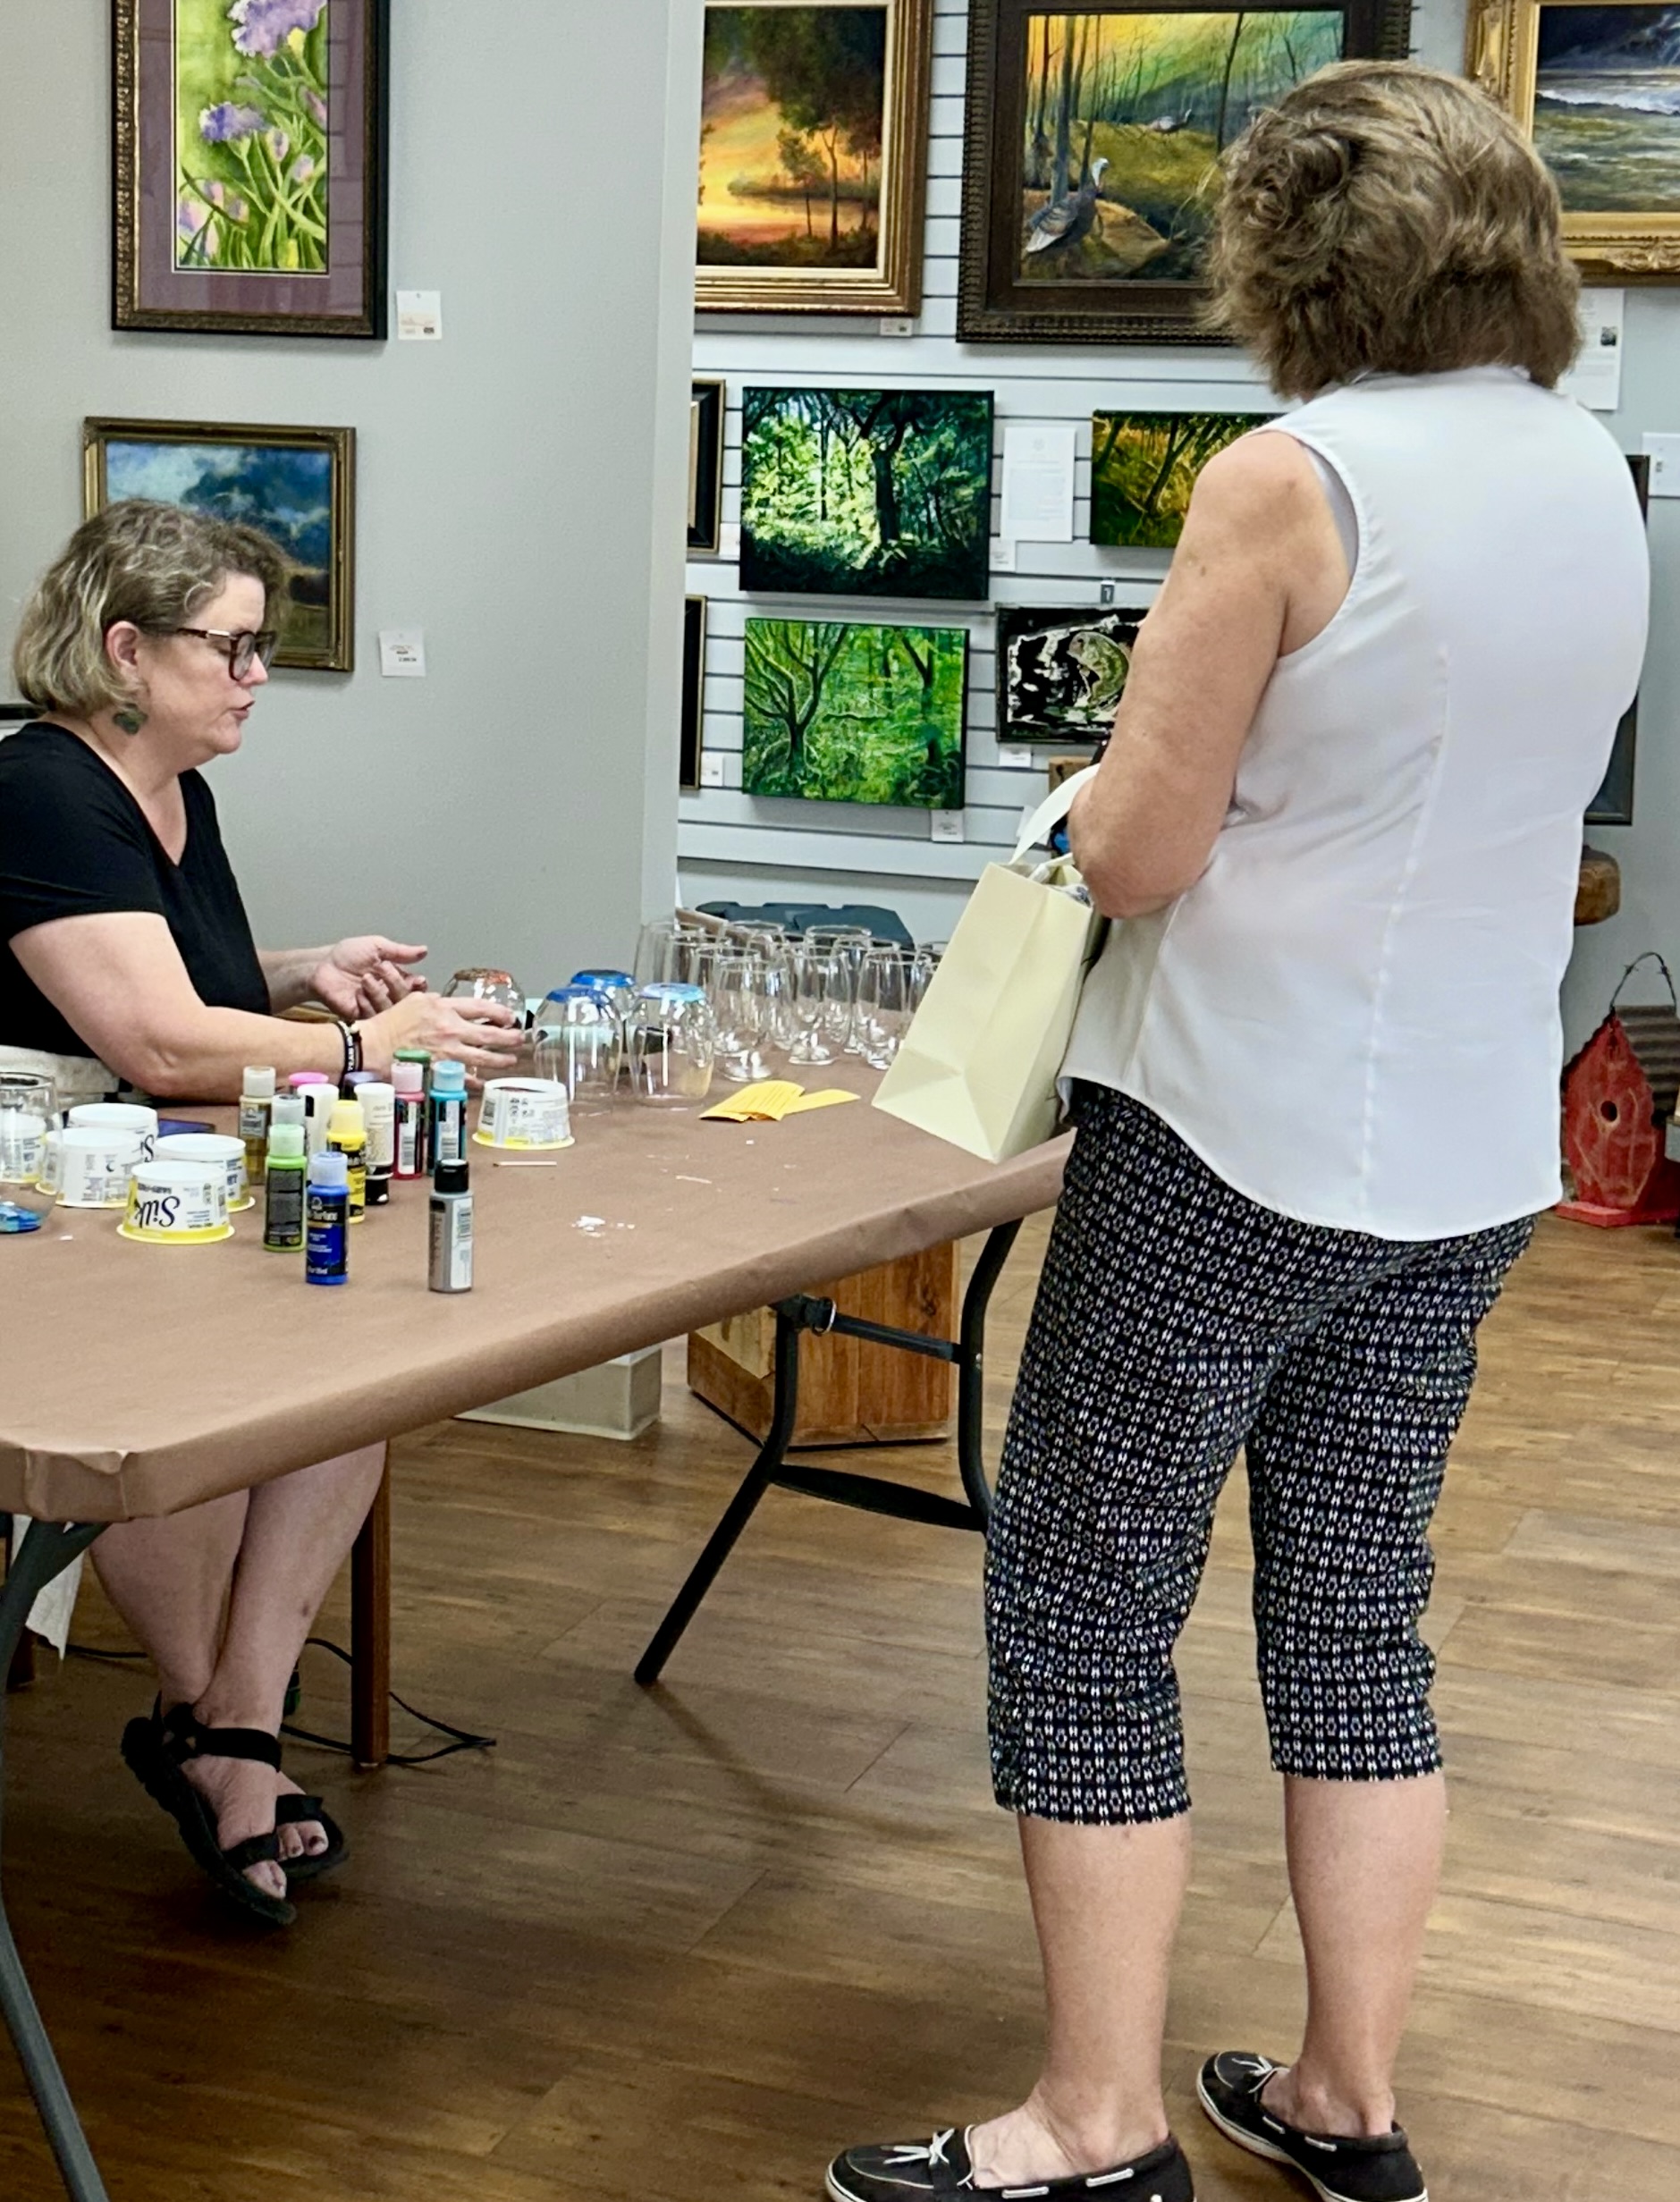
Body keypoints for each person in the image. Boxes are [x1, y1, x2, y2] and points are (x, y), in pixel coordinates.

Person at [829, 63, 1648, 2202]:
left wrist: (1090, 801)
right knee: (1357, 1607)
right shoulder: (1589, 469)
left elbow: (1148, 843)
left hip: (1230, 1135)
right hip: (1469, 1145)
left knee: (1091, 1605)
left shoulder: (1287, 478)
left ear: (1285, 260)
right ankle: (1345, 2097)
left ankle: (1093, 2127)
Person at [1, 500, 526, 1928]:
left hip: (143, 1171)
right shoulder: (42, 789)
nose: (252, 677)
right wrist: (378, 1045)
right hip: (51, 1213)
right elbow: (164, 1047)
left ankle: (229, 1721)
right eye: (229, 648)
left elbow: (180, 990)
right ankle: (215, 1724)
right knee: (194, 1405)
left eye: (260, 650)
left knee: (346, 1375)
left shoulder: (173, 790)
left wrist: (305, 972)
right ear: (124, 649)